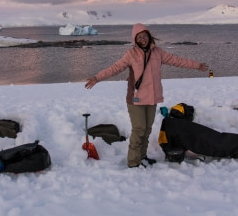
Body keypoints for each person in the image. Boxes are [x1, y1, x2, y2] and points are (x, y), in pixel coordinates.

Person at [85, 23, 208, 168]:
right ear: (135, 40)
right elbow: (115, 68)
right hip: (135, 98)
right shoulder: (131, 54)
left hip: (152, 97)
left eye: (144, 36)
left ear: (149, 36)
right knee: (139, 130)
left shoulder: (158, 53)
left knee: (147, 130)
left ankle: (142, 157)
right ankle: (133, 162)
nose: (142, 39)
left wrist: (197, 65)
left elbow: (178, 60)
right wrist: (97, 77)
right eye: (139, 37)